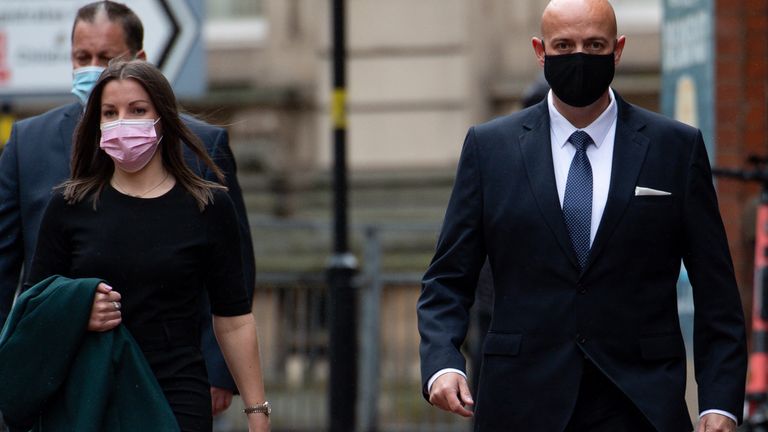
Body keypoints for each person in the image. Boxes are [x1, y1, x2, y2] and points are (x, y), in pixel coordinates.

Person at [417, 1, 748, 431]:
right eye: (564, 45)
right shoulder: (489, 149)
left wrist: (719, 404)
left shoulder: (675, 148)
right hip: (521, 402)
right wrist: (443, 363)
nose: (579, 56)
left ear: (618, 49)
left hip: (640, 403)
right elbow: (446, 278)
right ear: (540, 51)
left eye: (594, 45)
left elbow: (716, 290)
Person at [0, 1, 255, 415]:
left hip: (176, 375)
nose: (94, 68)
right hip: (74, 374)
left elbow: (232, 275)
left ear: (139, 61)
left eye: (107, 57)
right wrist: (18, 370)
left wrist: (219, 373)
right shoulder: (28, 144)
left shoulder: (202, 146)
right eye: (83, 57)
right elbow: (11, 272)